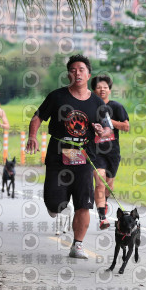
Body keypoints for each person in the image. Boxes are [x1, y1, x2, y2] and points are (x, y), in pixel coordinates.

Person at [25, 54, 112, 259]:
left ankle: (77, 245)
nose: (77, 73)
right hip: (58, 154)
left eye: (81, 69)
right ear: (68, 75)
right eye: (73, 70)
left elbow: (108, 128)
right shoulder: (57, 97)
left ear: (88, 74)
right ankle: (57, 206)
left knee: (84, 202)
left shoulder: (97, 102)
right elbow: (38, 117)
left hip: (84, 155)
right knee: (54, 204)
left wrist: (103, 132)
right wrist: (32, 136)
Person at [90, 75, 129, 229]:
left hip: (112, 152)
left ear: (110, 90)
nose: (102, 90)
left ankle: (104, 202)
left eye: (105, 87)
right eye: (99, 87)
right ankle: (102, 218)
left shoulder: (116, 107)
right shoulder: (90, 107)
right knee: (99, 182)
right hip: (95, 152)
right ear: (94, 90)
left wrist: (108, 121)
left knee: (109, 185)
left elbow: (126, 127)